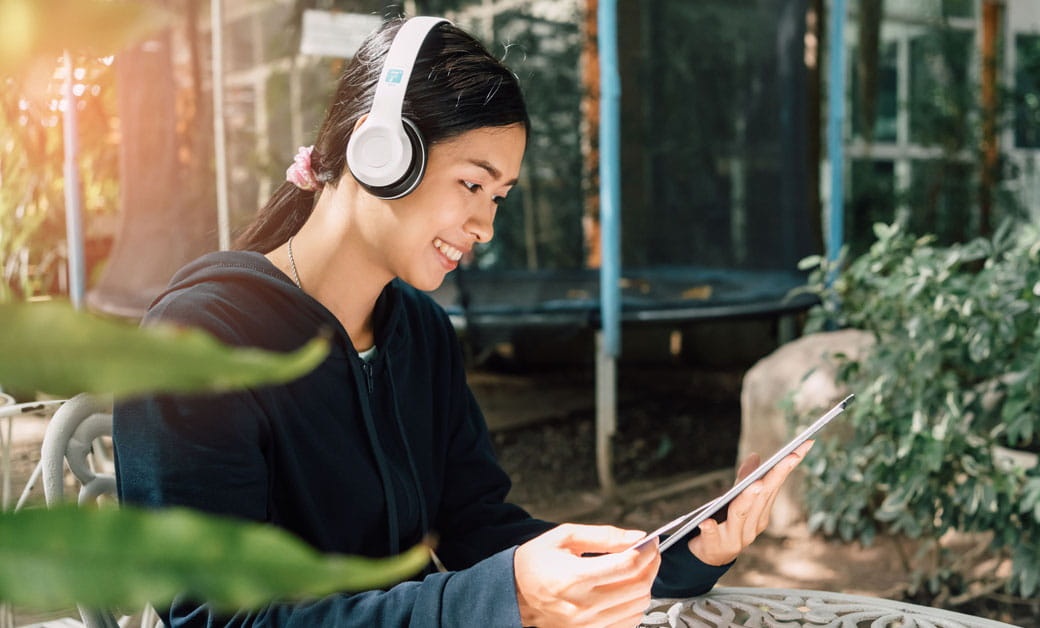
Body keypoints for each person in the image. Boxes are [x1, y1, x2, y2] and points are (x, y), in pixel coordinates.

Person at [113, 15, 809, 628]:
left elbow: (480, 529)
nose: (484, 226)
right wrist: (496, 601)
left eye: (499, 197)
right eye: (472, 184)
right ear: (376, 152)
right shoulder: (198, 344)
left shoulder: (417, 333)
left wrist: (678, 553)